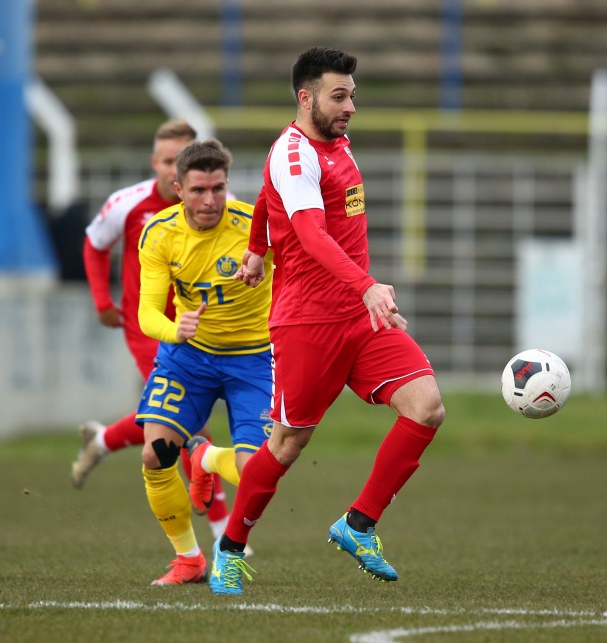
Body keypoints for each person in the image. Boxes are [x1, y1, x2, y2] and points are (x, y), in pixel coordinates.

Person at [208, 46, 445, 596]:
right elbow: (310, 233)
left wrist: (255, 249)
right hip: (307, 324)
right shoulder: (295, 154)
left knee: (426, 407)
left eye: (353, 97)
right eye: (339, 97)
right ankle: (231, 550)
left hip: (359, 318)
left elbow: (268, 199)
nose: (351, 108)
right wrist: (366, 283)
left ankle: (358, 525)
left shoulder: (333, 142)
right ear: (305, 97)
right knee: (288, 444)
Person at [73, 118, 231, 542]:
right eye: (165, 161)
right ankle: (222, 529)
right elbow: (94, 243)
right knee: (191, 422)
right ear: (157, 163)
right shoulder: (128, 203)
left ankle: (102, 440)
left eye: (178, 160)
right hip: (148, 327)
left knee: (167, 420)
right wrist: (103, 301)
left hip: (200, 326)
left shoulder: (217, 202)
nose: (169, 169)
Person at [136, 139, 274, 585]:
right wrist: (177, 330)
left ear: (227, 184)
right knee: (156, 454)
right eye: (198, 190)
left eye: (217, 188)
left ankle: (207, 459)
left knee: (255, 474)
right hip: (188, 355)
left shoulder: (257, 226)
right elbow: (148, 313)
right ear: (178, 188)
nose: (209, 200)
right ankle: (190, 559)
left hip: (253, 359)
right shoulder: (159, 233)